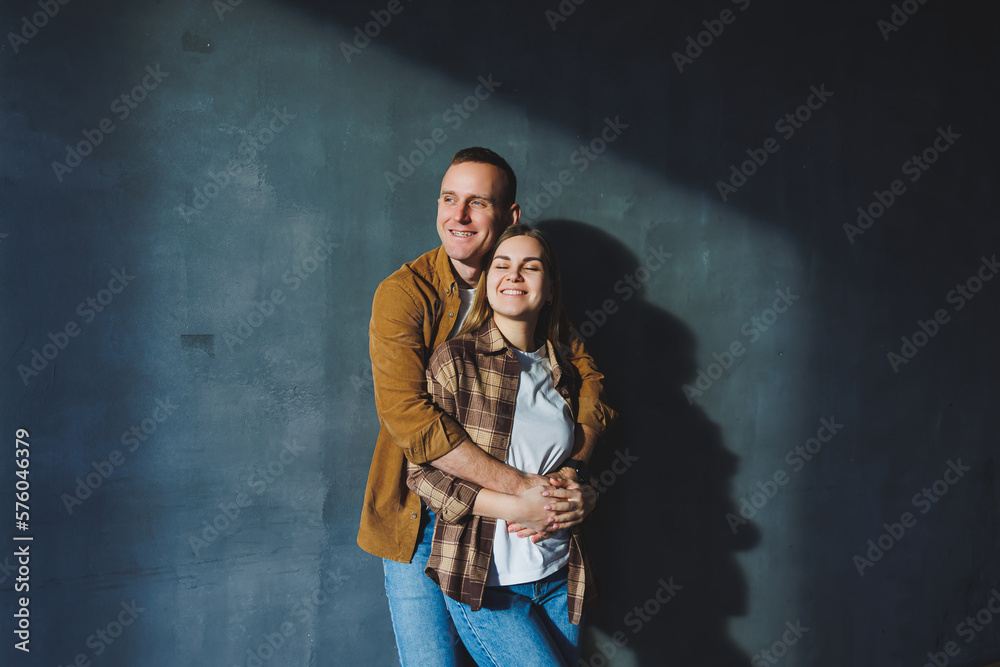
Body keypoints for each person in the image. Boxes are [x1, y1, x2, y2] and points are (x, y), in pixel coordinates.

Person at [358, 148, 616, 666]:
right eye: (449, 199)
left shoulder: (525, 287)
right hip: (419, 519)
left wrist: (572, 478)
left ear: (509, 215)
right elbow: (412, 422)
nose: (459, 216)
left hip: (527, 539)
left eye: (478, 202)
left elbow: (590, 385)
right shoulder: (405, 294)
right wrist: (522, 493)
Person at [407, 224, 615, 666]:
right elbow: (421, 474)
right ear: (487, 281)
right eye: (502, 265)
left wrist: (583, 493)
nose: (514, 275)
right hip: (486, 583)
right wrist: (516, 506)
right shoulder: (455, 361)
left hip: (560, 575)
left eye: (530, 266)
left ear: (550, 287)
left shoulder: (564, 369)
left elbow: (567, 462)